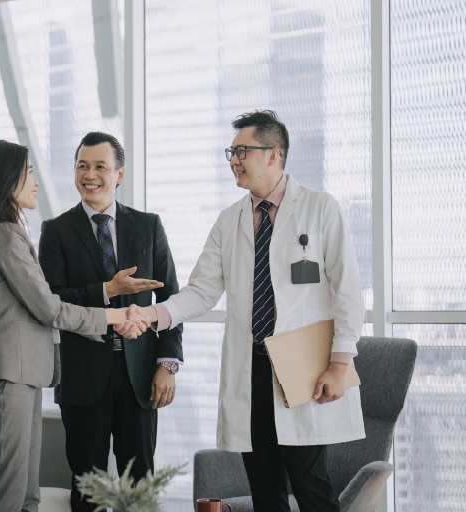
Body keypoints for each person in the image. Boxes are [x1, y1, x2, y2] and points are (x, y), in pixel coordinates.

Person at [137, 110, 365, 511]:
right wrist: (153, 315)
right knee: (264, 488)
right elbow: (201, 292)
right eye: (231, 151)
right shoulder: (230, 221)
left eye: (242, 151)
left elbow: (348, 291)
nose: (233, 160)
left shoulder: (319, 208)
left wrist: (340, 363)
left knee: (311, 486)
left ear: (273, 155)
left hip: (303, 368)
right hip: (252, 368)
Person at [0, 139, 148, 512]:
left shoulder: (7, 230)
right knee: (9, 497)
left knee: (28, 496)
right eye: (28, 172)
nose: (35, 181)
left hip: (20, 373)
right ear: (5, 178)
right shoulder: (3, 234)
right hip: (5, 375)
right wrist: (115, 315)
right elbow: (49, 308)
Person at [37, 131, 183, 512]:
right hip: (83, 377)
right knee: (88, 489)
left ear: (119, 174)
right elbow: (52, 301)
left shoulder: (148, 226)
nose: (89, 174)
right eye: (82, 166)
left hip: (140, 376)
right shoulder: (55, 232)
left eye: (100, 166)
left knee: (141, 486)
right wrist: (107, 290)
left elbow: (172, 301)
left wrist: (167, 364)